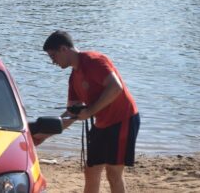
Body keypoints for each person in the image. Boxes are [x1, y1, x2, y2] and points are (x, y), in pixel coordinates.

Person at [36, 30, 140, 193]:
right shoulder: (73, 78)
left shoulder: (94, 61)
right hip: (102, 124)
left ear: (64, 49)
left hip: (123, 119)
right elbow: (71, 114)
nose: (53, 62)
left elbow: (116, 87)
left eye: (53, 56)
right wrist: (42, 135)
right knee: (91, 170)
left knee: (113, 174)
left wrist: (90, 111)